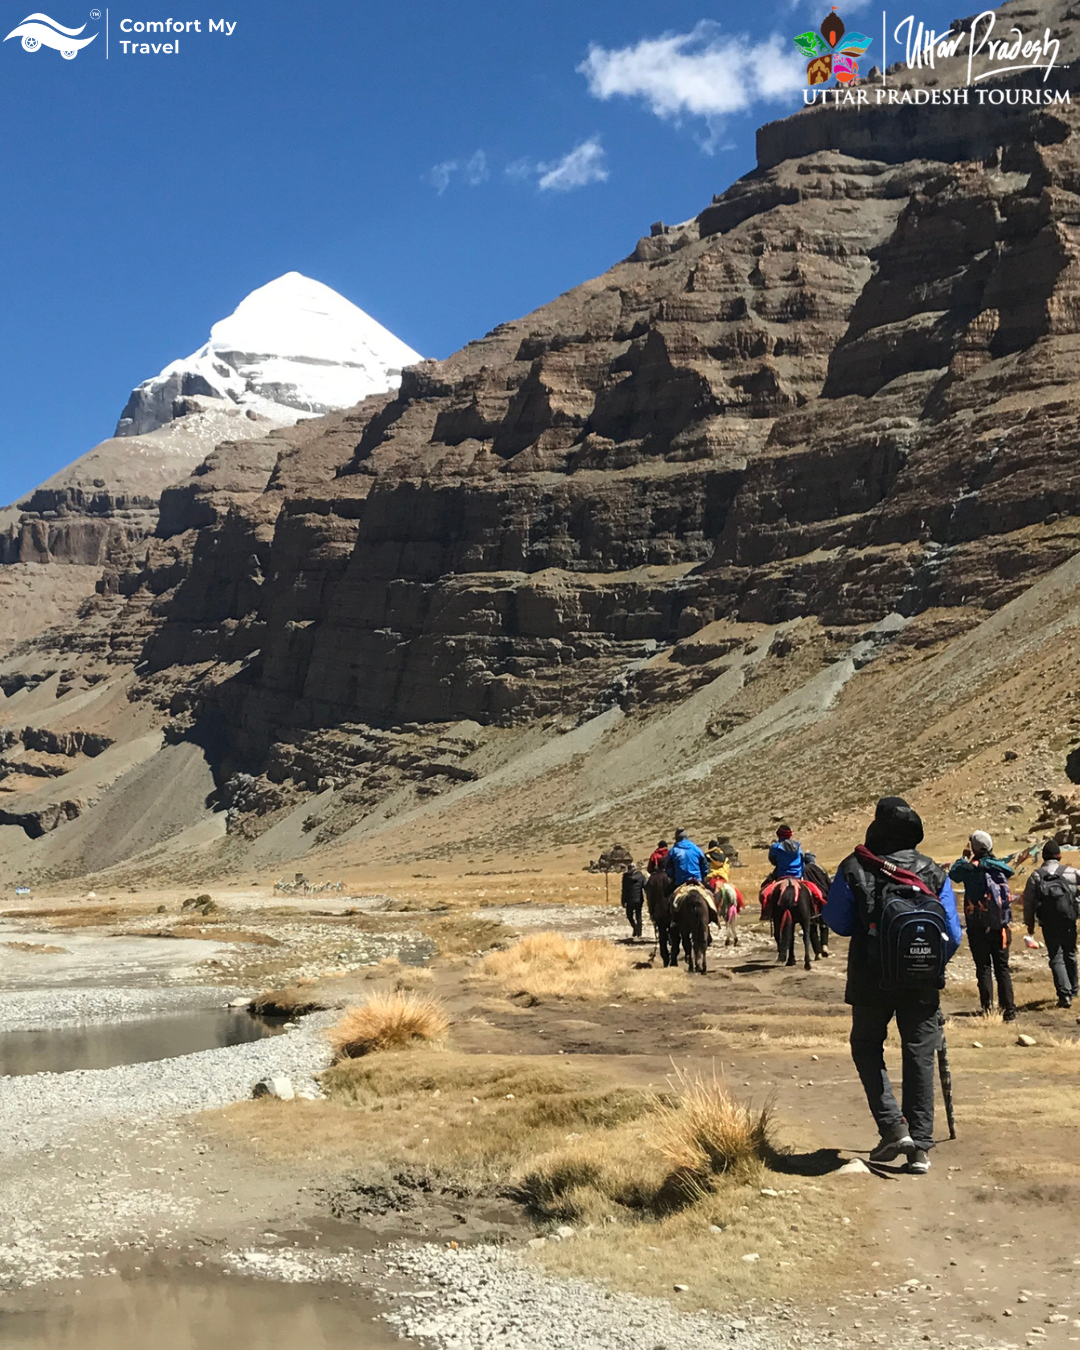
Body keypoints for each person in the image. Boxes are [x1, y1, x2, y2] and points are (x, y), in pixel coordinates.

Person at [824, 797, 961, 1176]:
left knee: (866, 1046)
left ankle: (892, 1126)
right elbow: (951, 934)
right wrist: (928, 967)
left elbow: (837, 920)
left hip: (870, 978)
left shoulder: (855, 866)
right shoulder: (933, 872)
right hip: (922, 981)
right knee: (919, 1053)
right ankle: (920, 1148)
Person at [949, 831, 1017, 1021]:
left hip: (977, 926)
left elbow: (954, 873)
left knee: (983, 967)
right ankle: (1009, 1011)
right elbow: (1010, 872)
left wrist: (964, 856)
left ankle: (987, 1009)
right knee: (1002, 967)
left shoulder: (970, 869)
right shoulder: (999, 867)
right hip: (1000, 925)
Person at [1024, 841, 1080, 1009]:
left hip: (1048, 923)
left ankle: (1064, 995)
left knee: (1056, 956)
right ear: (1060, 855)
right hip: (1069, 919)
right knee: (1070, 952)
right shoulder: (1072, 873)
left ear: (1043, 857)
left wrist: (1030, 926)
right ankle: (1074, 990)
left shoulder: (1036, 876)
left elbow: (1028, 903)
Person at [620, 863, 647, 939]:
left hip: (629, 899)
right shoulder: (641, 876)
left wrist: (623, 900)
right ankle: (639, 932)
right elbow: (645, 886)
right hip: (638, 899)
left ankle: (635, 927)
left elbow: (624, 889)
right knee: (638, 915)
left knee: (629, 915)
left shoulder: (626, 877)